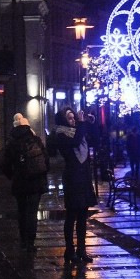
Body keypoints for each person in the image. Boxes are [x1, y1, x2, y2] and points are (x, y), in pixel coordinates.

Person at [54, 107, 97, 264]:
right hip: (72, 180)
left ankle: (81, 250)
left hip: (84, 179)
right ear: (64, 120)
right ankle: (69, 250)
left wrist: (88, 123)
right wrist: (81, 123)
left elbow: (93, 138)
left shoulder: (78, 132)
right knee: (71, 216)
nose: (73, 120)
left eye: (74, 118)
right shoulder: (61, 134)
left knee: (82, 218)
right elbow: (75, 141)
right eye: (70, 118)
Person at [3, 113, 48, 252]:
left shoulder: (11, 142)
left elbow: (5, 165)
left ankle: (23, 241)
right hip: (36, 181)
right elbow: (46, 161)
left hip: (20, 182)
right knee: (32, 212)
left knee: (22, 211)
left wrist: (13, 176)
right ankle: (31, 241)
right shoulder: (35, 139)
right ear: (28, 126)